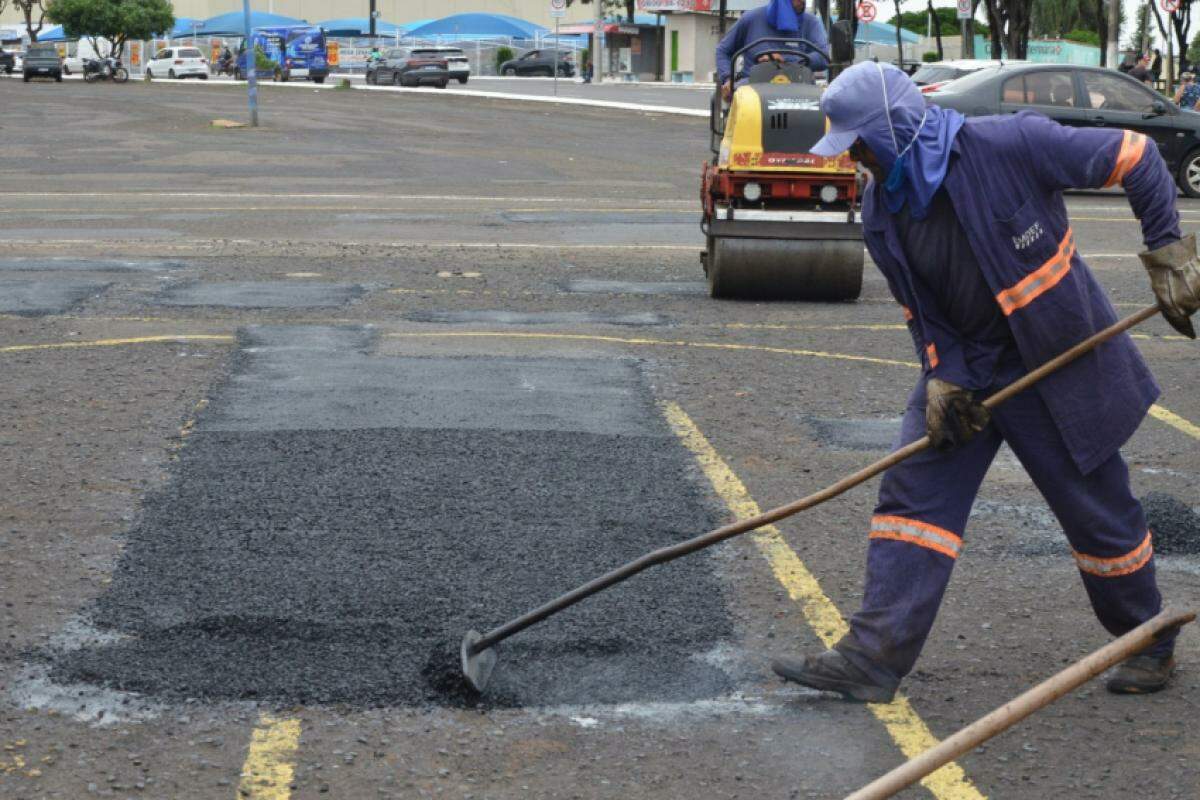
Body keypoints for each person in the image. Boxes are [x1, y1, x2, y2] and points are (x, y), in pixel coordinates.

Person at [770, 62, 1199, 702]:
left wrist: (1168, 252)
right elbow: (921, 310)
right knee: (912, 500)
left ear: (894, 128)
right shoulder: (882, 210)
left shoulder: (1010, 144)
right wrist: (941, 373)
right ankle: (873, 656)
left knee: (1097, 514)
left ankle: (1149, 638)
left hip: (1055, 362)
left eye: (860, 141)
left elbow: (1137, 156)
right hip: (969, 370)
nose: (856, 158)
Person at [716, 0, 829, 101]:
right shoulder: (750, 19)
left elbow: (823, 57)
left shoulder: (811, 22)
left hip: (799, 88)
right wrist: (727, 79)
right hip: (752, 90)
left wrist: (787, 62)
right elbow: (723, 50)